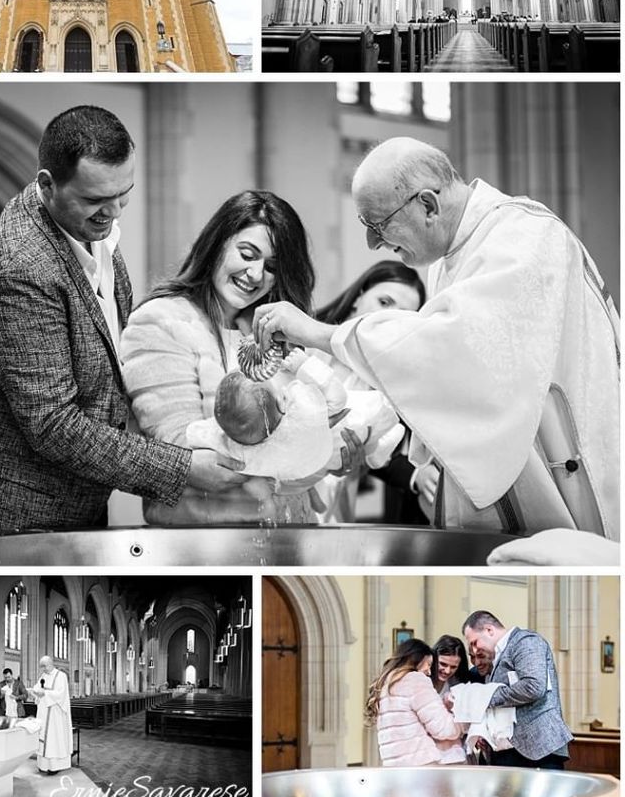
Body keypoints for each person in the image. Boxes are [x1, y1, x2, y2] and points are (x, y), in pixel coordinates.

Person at [252, 137, 620, 563]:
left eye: (377, 224)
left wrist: (317, 332)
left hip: (566, 488)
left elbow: (452, 351)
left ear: (427, 205)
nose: (373, 244)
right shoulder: (454, 259)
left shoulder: (524, 237)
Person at [0, 105, 243, 538]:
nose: (114, 213)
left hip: (78, 503)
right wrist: (183, 467)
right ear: (47, 185)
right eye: (95, 199)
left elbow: (106, 363)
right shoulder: (18, 269)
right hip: (14, 516)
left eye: (124, 194)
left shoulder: (90, 228)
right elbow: (53, 425)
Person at [121, 190, 358, 524]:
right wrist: (308, 441)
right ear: (217, 242)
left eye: (272, 267)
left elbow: (296, 455)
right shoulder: (161, 321)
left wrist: (331, 453)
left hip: (290, 533)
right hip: (208, 540)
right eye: (247, 254)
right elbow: (182, 450)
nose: (256, 274)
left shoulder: (272, 330)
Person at [316, 260, 432, 524]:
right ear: (358, 296)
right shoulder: (301, 346)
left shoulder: (393, 381)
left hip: (342, 507)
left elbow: (386, 454)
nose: (389, 320)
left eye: (404, 317)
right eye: (384, 302)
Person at [187, 346, 402, 485]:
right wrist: (305, 365)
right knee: (375, 412)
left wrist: (195, 437)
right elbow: (339, 399)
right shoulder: (304, 411)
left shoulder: (245, 447)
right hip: (341, 438)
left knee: (371, 431)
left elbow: (199, 436)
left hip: (324, 461)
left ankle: (380, 446)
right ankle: (382, 444)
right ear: (282, 400)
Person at [462, 609, 572, 768]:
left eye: (474, 642)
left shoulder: (526, 641)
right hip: (510, 751)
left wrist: (485, 697)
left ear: (489, 630)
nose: (474, 650)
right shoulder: (496, 656)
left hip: (538, 748)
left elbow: (533, 686)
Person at [364, 639, 464, 766]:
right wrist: (462, 722)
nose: (429, 671)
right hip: (421, 766)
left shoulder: (384, 684)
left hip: (393, 767)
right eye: (428, 664)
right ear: (417, 660)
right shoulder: (415, 680)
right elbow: (443, 729)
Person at [32, 656, 73, 774]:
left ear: (50, 664)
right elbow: (37, 687)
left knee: (53, 738)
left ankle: (54, 766)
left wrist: (45, 693)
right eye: (41, 667)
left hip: (55, 713)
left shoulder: (61, 676)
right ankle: (43, 765)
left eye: (44, 666)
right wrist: (36, 691)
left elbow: (61, 694)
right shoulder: (43, 676)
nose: (42, 669)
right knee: (43, 736)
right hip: (43, 712)